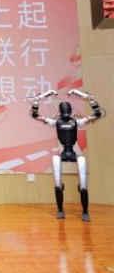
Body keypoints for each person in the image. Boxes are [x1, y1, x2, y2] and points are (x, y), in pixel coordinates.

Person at [30, 89, 105, 221]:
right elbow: (35, 114)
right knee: (57, 183)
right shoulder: (56, 122)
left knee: (83, 184)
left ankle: (85, 211)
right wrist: (39, 98)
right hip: (62, 153)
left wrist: (87, 97)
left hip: (74, 153)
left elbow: (98, 113)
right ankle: (60, 210)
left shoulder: (76, 122)